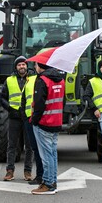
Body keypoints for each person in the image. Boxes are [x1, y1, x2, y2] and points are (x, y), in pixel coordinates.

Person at [29, 62, 65, 195]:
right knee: (52, 153)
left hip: (44, 122)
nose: (35, 68)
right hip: (56, 121)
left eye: (35, 65)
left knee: (46, 155)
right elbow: (63, 101)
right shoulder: (61, 80)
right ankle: (53, 181)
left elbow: (39, 104)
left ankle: (48, 184)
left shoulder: (41, 80)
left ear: (39, 66)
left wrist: (34, 120)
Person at [1, 56, 34, 182]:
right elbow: (2, 97)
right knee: (12, 145)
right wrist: (9, 108)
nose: (22, 67)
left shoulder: (33, 79)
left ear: (27, 66)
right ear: (16, 67)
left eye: (24, 64)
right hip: (14, 117)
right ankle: (10, 171)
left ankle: (28, 172)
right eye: (19, 65)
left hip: (28, 116)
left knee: (29, 146)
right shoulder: (9, 80)